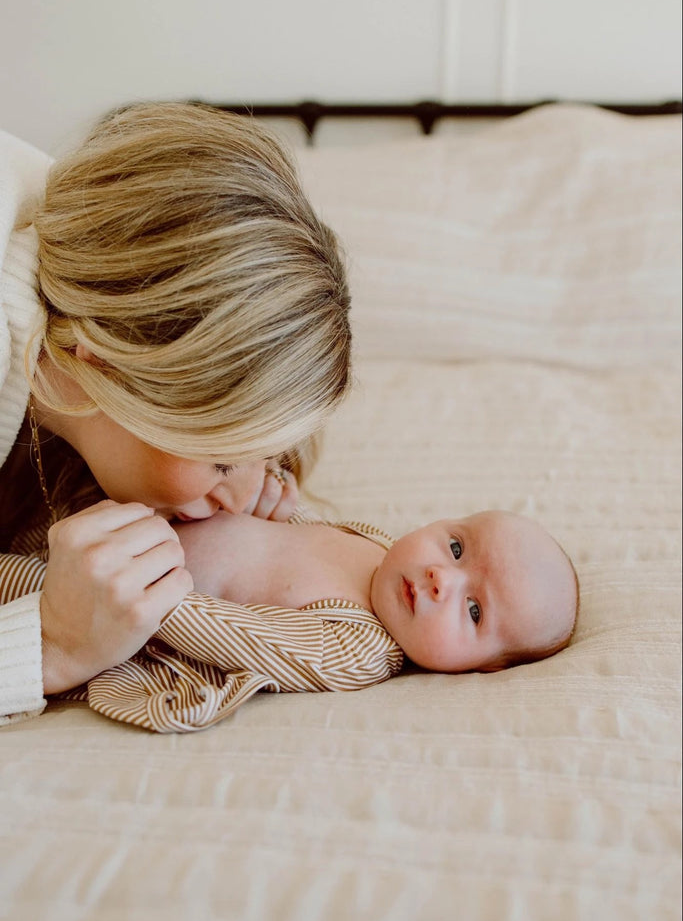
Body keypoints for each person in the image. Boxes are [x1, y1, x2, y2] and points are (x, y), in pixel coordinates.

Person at [0, 102, 351, 725]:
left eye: (261, 458)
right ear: (106, 363)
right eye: (221, 460)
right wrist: (51, 644)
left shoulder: (98, 261)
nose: (242, 500)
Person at [61, 507, 579, 733]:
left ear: (479, 668)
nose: (443, 577)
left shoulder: (357, 647)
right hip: (131, 523)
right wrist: (276, 502)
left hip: (112, 589)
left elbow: (240, 638)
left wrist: (145, 597)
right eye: (457, 547)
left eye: (473, 611)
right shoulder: (378, 545)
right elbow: (302, 532)